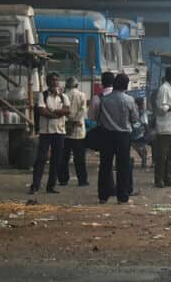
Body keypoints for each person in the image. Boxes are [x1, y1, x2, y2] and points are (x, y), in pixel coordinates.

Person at [97, 73, 139, 204]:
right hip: (123, 136)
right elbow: (135, 118)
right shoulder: (129, 100)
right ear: (126, 85)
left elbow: (97, 117)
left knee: (105, 166)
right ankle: (123, 196)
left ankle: (103, 196)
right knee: (123, 167)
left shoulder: (103, 99)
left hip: (106, 135)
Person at [30, 73, 70, 195]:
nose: (54, 82)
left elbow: (67, 110)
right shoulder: (43, 95)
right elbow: (42, 111)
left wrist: (52, 112)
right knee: (41, 159)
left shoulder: (63, 97)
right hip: (46, 132)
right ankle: (35, 185)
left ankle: (51, 186)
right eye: (52, 80)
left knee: (56, 160)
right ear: (48, 82)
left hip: (60, 132)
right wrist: (57, 114)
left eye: (56, 80)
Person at [153, 67, 171, 188]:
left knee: (170, 156)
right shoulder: (163, 89)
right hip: (165, 127)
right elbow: (161, 107)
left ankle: (167, 178)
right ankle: (159, 179)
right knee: (162, 156)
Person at [58, 77, 88, 187]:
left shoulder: (63, 96)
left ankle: (63, 179)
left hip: (64, 129)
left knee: (64, 157)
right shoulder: (81, 95)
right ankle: (82, 180)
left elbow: (61, 111)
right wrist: (75, 121)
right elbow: (83, 111)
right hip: (78, 131)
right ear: (77, 85)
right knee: (79, 157)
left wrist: (68, 122)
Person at [131, 95, 150, 168]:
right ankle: (144, 161)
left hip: (132, 132)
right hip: (140, 133)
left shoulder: (133, 111)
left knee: (136, 147)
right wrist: (147, 132)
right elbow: (145, 123)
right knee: (143, 148)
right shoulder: (143, 112)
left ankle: (143, 159)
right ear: (142, 104)